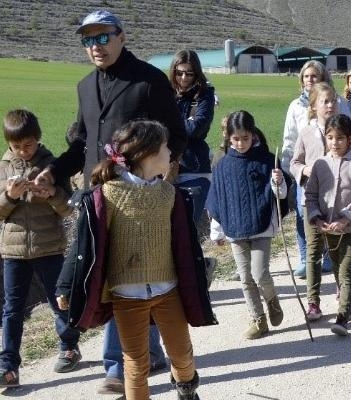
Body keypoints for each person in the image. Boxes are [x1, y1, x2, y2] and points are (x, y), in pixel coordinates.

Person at [34, 10, 179, 394]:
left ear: (121, 37)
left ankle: (117, 364)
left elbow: (175, 135)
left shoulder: (148, 82)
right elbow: (81, 143)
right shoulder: (84, 86)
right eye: (88, 40)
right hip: (96, 195)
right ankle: (149, 352)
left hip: (137, 197)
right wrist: (54, 171)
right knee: (117, 273)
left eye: (102, 37)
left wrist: (157, 179)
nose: (95, 47)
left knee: (119, 274)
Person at [55, 120, 215, 400]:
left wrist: (198, 273)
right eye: (166, 147)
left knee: (182, 354)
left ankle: (187, 389)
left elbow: (184, 244)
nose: (171, 154)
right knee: (136, 363)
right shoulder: (107, 195)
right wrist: (66, 286)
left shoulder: (170, 195)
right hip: (127, 296)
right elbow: (85, 244)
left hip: (168, 291)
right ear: (147, 154)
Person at [0, 110, 81, 387]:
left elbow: (68, 209)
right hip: (13, 252)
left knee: (59, 302)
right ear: (8, 144)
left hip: (49, 248)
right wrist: (9, 197)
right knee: (12, 309)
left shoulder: (52, 166)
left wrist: (51, 195)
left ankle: (69, 346)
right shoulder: (3, 167)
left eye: (29, 145)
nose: (23, 151)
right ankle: (8, 366)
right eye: (16, 147)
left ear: (38, 139)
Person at [206, 111, 286, 340]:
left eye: (245, 138)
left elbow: (279, 195)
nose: (241, 143)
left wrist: (278, 182)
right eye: (236, 139)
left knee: (260, 273)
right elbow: (217, 199)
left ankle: (271, 299)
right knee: (245, 277)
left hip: (261, 225)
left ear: (253, 135)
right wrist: (217, 230)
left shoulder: (266, 160)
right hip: (234, 229)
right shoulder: (222, 166)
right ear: (228, 138)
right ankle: (257, 319)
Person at [290, 82, 351, 321]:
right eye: (325, 101)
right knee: (313, 254)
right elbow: (294, 163)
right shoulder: (306, 132)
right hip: (315, 206)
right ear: (314, 106)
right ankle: (313, 303)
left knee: (341, 260)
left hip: (343, 209)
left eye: (334, 100)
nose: (331, 104)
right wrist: (306, 170)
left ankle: (345, 300)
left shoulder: (347, 129)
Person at [280, 60, 350, 278]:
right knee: (304, 216)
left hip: (333, 171)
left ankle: (329, 255)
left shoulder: (338, 103)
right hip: (306, 172)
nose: (310, 80)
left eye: (315, 76)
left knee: (330, 211)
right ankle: (305, 257)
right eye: (306, 76)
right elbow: (290, 139)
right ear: (301, 80)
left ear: (323, 79)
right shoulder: (296, 106)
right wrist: (290, 168)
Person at [304, 115, 351, 335]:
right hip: (327, 228)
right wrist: (316, 218)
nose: (334, 142)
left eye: (340, 138)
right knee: (336, 268)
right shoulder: (320, 164)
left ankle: (342, 317)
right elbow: (310, 194)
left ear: (349, 139)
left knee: (346, 270)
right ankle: (346, 303)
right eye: (330, 137)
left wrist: (345, 219)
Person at [168, 49, 215, 227]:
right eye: (179, 73)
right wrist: (184, 122)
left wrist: (169, 122)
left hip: (193, 170)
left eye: (189, 73)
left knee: (187, 229)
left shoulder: (204, 95)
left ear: (197, 72)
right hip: (163, 170)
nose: (184, 78)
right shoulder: (165, 93)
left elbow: (196, 128)